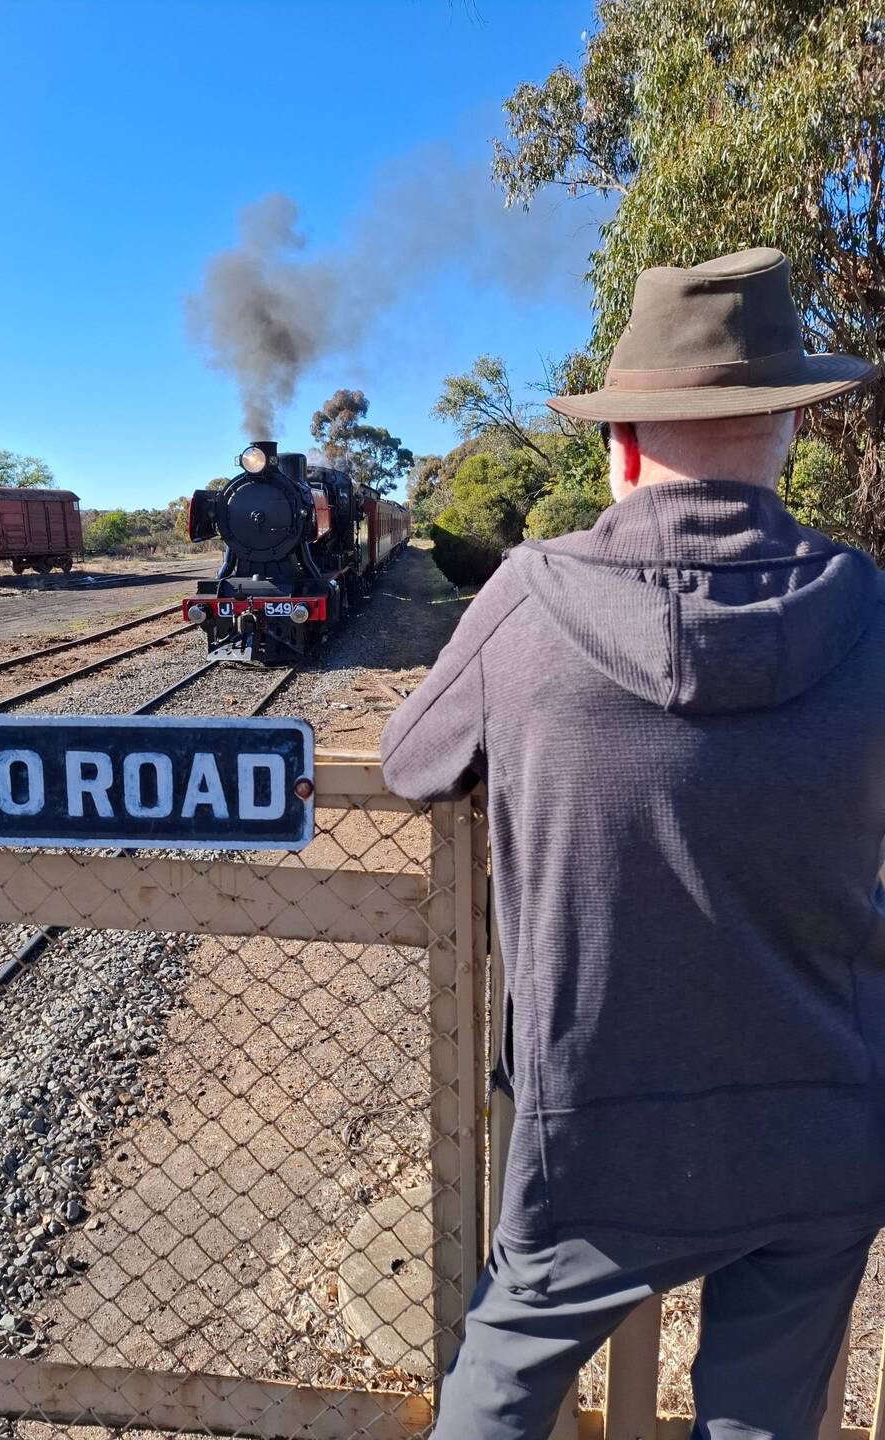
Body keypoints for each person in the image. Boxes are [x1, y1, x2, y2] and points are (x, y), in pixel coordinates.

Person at [380, 247, 882, 1440]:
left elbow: (408, 763)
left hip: (598, 1134)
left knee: (496, 1398)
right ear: (788, 434)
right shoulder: (867, 607)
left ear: (619, 446)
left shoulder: (528, 599)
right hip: (824, 1120)